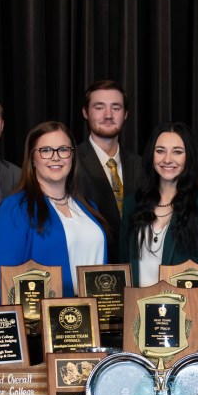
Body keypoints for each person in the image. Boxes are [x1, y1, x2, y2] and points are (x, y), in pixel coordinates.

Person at [0, 121, 107, 300]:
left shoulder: (88, 207)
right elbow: (1, 280)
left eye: (63, 149)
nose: (56, 157)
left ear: (72, 156)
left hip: (92, 320)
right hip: (43, 322)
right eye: (45, 150)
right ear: (33, 159)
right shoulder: (14, 209)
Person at [121, 122, 198, 287]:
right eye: (160, 151)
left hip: (185, 309)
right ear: (151, 155)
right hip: (137, 307)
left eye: (177, 152)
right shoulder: (132, 203)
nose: (167, 159)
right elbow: (123, 265)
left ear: (188, 157)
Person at [74, 79, 144, 260]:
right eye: (99, 107)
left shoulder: (142, 165)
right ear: (85, 112)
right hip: (90, 271)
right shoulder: (70, 162)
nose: (108, 115)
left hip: (136, 272)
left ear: (126, 114)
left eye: (116, 107)